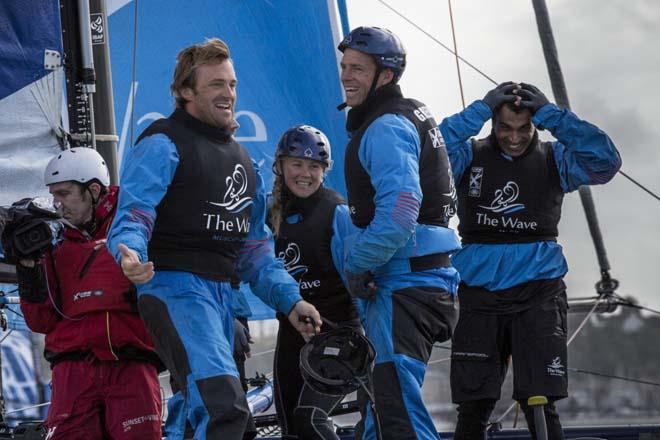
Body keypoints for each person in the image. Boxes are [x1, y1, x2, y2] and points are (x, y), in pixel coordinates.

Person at [106, 38, 321, 440]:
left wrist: (291, 301)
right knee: (221, 405)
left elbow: (256, 252)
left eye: (233, 84)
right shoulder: (162, 143)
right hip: (174, 288)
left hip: (222, 296)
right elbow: (135, 212)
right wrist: (130, 254)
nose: (229, 94)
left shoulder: (246, 163)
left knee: (196, 413)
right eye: (216, 85)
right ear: (186, 91)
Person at [439, 82, 622, 440]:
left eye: (524, 129)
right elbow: (424, 156)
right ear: (493, 123)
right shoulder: (467, 157)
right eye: (505, 127)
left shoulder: (557, 159)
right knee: (474, 403)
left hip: (538, 293)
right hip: (479, 293)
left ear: (535, 125)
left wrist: (552, 115)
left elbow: (606, 162)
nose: (514, 137)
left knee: (538, 400)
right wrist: (478, 109)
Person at [338, 26, 460, 440]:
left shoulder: (386, 126)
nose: (346, 76)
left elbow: (400, 214)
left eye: (358, 68)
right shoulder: (410, 114)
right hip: (423, 279)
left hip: (404, 286)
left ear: (385, 75)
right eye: (344, 67)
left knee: (398, 415)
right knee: (379, 414)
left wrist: (356, 264)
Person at [15, 147, 162, 439]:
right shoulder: (50, 241)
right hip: (73, 371)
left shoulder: (135, 224)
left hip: (131, 365)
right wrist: (28, 266)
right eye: (53, 195)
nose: (57, 204)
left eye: (64, 193)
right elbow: (40, 321)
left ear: (93, 190)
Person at [269, 125, 361, 440]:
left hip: (339, 337)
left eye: (314, 166)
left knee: (309, 419)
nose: (305, 173)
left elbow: (360, 281)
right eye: (297, 164)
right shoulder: (269, 214)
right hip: (292, 339)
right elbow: (247, 266)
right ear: (280, 165)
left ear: (324, 171)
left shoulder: (337, 213)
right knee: (290, 431)